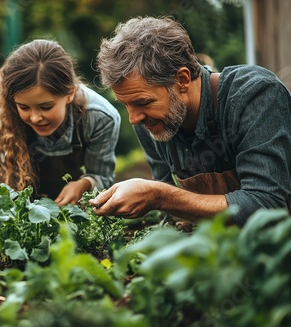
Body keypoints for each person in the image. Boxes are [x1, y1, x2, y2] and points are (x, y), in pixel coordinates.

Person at [90, 16, 291, 226]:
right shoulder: (151, 122)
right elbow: (173, 211)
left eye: (143, 102)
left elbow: (267, 205)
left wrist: (159, 196)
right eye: (125, 104)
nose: (133, 118)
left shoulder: (254, 96)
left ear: (182, 80)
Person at [0, 39, 121, 205]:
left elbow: (103, 177)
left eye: (46, 107)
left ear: (70, 94)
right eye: (24, 107)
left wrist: (83, 185)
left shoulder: (100, 118)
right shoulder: (4, 118)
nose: (35, 117)